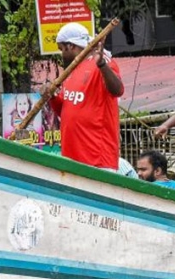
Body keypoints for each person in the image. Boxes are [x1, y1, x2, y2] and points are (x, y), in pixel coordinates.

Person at [46, 23, 124, 170]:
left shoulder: (103, 62)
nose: (61, 54)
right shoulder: (71, 71)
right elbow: (65, 110)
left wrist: (101, 65)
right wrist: (52, 97)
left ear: (70, 46)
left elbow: (118, 90)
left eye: (62, 49)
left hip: (97, 159)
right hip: (72, 159)